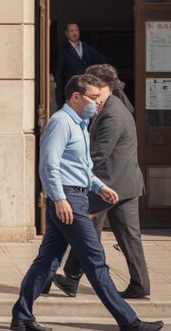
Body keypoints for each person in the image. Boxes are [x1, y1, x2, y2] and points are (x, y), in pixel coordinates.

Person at [10, 74, 162, 331]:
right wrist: (59, 199)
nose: (97, 102)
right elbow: (49, 165)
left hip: (76, 196)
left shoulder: (79, 123)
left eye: (98, 98)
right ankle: (128, 321)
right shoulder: (61, 122)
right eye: (93, 97)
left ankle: (22, 315)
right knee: (95, 260)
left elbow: (80, 168)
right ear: (76, 97)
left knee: (47, 261)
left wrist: (99, 186)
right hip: (68, 199)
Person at [52, 64, 150, 300]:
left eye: (93, 85)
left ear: (105, 86)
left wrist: (73, 173)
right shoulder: (108, 106)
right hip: (118, 182)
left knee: (92, 232)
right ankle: (73, 278)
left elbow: (98, 154)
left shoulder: (113, 113)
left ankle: (73, 278)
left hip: (112, 184)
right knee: (104, 234)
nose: (90, 90)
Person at [53, 22, 105, 108]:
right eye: (71, 31)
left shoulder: (86, 47)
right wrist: (60, 95)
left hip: (86, 89)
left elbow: (101, 60)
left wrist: (92, 72)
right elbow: (58, 73)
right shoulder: (62, 50)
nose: (74, 33)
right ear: (66, 34)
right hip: (70, 89)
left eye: (76, 30)